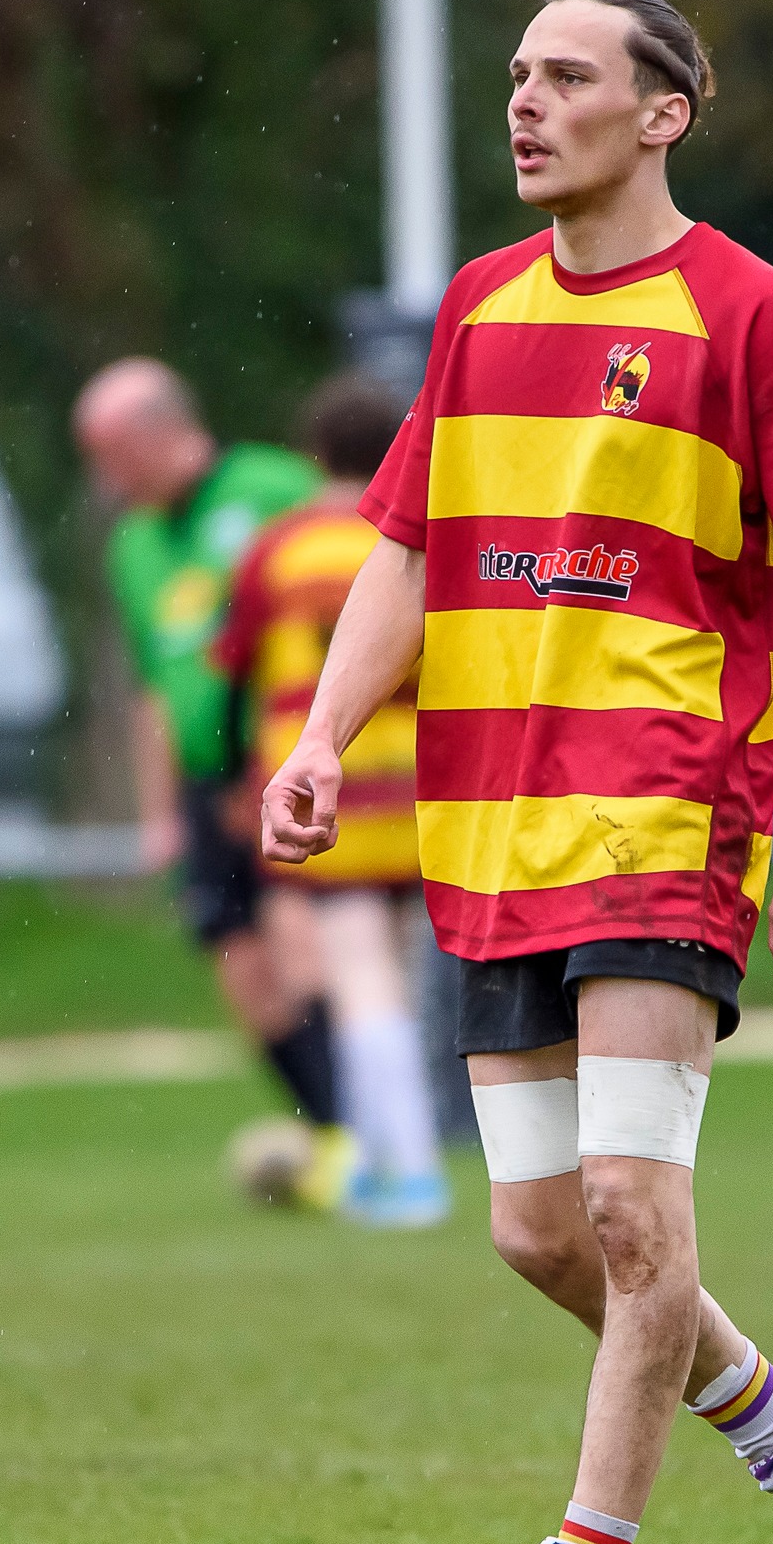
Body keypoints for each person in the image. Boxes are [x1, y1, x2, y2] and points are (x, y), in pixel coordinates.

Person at [261, 0, 773, 1544]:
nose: (525, 100)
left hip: (661, 816)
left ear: (661, 112)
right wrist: (325, 732)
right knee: (540, 1233)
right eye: (513, 74)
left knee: (633, 1211)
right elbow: (405, 547)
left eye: (565, 75)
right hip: (490, 830)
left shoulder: (754, 314)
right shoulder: (478, 309)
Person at [73, 359, 341, 1170]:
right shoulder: (133, 543)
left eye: (109, 454)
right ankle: (335, 1127)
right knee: (241, 965)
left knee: (306, 944)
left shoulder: (273, 486)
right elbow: (156, 692)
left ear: (158, 433)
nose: (103, 476)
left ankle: (371, 1133)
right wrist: (161, 816)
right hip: (205, 781)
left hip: (281, 764)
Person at [216, 375, 450, 1227]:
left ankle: (404, 1169)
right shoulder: (415, 544)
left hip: (330, 794)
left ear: (312, 455)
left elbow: (228, 675)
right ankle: (389, 1159)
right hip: (422, 790)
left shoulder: (278, 549)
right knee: (402, 976)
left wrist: (229, 781)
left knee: (359, 984)